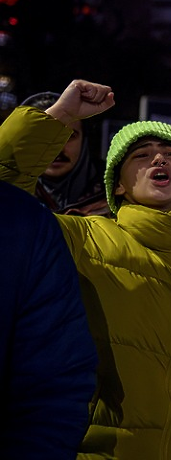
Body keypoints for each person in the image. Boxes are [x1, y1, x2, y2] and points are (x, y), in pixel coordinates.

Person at [0, 79, 171, 459]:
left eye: (170, 154)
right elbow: (5, 191)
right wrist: (61, 115)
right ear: (120, 186)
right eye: (141, 156)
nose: (157, 159)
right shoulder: (82, 238)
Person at [0, 179, 98, 459]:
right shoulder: (83, 231)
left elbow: (54, 389)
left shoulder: (22, 222)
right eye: (141, 154)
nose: (158, 160)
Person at [19, 90, 110, 216]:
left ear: (85, 140)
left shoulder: (116, 192)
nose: (57, 149)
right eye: (43, 137)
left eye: (69, 136)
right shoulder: (11, 194)